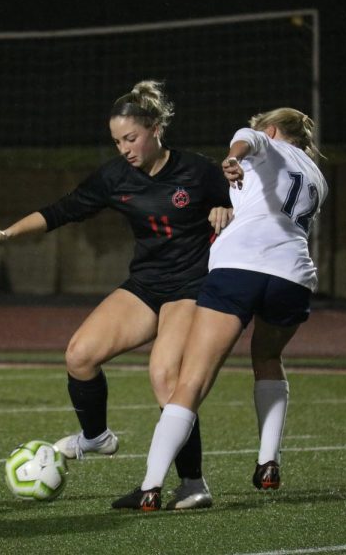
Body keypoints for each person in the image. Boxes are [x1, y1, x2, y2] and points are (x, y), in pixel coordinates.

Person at [0, 80, 233, 509]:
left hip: (191, 286)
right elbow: (62, 210)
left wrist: (228, 209)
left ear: (156, 127)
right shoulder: (115, 177)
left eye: (131, 138)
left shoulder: (199, 171)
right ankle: (97, 438)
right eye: (116, 141)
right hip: (146, 285)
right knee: (80, 354)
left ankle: (192, 483)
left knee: (166, 378)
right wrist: (8, 232)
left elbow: (243, 204)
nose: (124, 148)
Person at [112, 107, 328, 511]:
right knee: (267, 357)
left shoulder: (260, 140)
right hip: (293, 277)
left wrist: (233, 157)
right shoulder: (316, 176)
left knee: (191, 380)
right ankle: (268, 462)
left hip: (240, 269)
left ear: (274, 128)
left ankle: (151, 485)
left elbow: (248, 142)